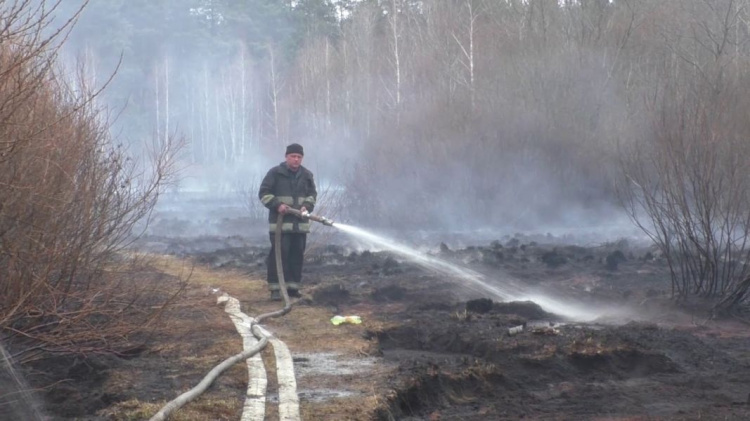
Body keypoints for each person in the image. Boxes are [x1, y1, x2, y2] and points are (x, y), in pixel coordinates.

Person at [258, 143, 317, 301]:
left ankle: (293, 288)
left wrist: (307, 206)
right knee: (279, 255)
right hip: (280, 225)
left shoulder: (307, 175)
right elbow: (264, 193)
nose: (296, 159)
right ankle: (276, 289)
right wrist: (278, 205)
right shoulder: (275, 173)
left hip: (300, 226)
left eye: (299, 157)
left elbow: (312, 195)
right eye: (293, 156)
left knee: (297, 255)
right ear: (286, 157)